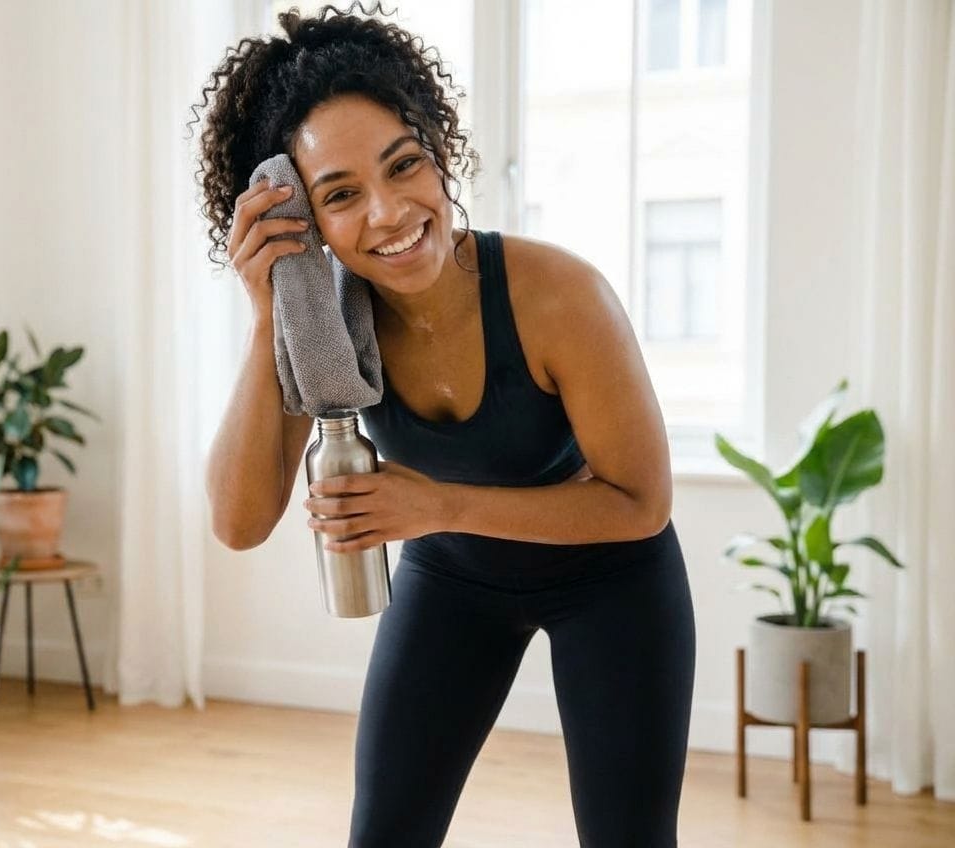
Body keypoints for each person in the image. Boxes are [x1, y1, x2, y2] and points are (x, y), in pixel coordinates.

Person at [194, 5, 696, 846]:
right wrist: (265, 311)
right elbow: (239, 524)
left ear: (437, 149)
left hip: (612, 580)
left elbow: (640, 503)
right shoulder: (326, 331)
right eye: (342, 195)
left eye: (404, 165)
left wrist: (437, 507)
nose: (390, 213)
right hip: (455, 584)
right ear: (301, 217)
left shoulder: (558, 296)